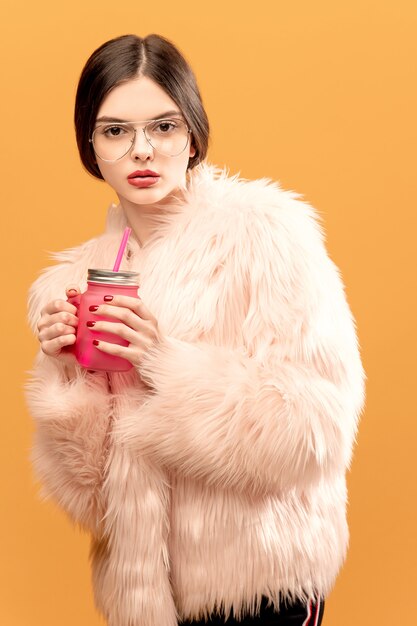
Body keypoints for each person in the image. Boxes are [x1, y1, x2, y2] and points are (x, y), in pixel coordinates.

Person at [25, 33, 365, 626]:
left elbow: (319, 427)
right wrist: (67, 373)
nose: (141, 152)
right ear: (90, 143)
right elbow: (88, 498)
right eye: (115, 130)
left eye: (163, 126)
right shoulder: (79, 281)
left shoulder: (265, 237)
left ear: (192, 134)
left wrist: (166, 363)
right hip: (145, 603)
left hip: (262, 586)